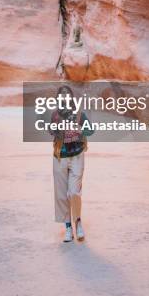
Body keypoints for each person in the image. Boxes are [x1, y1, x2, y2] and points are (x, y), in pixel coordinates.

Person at [50, 85, 94, 243]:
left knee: (74, 192)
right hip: (60, 156)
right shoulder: (55, 115)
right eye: (61, 95)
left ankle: (78, 223)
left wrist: (80, 130)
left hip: (77, 155)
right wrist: (57, 128)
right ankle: (68, 227)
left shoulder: (79, 114)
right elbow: (50, 131)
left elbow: (91, 130)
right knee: (62, 195)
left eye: (66, 95)